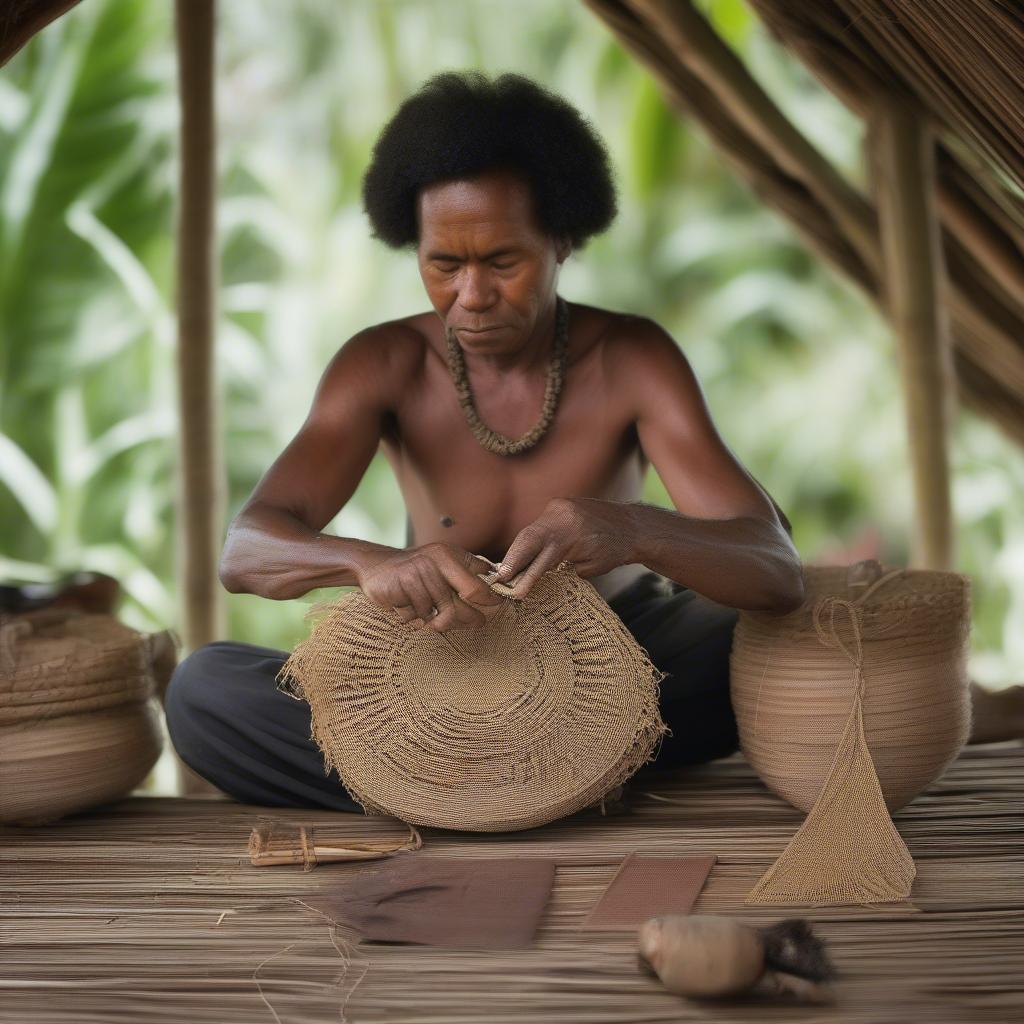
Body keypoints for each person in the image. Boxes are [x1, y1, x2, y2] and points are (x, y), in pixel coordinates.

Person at [164, 71, 1018, 810]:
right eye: (442, 265)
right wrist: (370, 563)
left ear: (562, 241)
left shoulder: (632, 359)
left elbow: (774, 565)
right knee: (203, 691)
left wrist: (634, 530)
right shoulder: (381, 364)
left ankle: (467, 786)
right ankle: (532, 779)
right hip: (425, 689)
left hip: (616, 670)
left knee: (761, 636)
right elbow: (246, 550)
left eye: (503, 261)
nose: (470, 296)